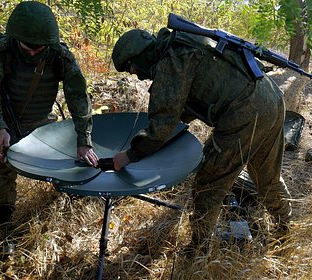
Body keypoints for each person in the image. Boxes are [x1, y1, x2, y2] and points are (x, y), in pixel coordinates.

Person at [111, 28, 292, 251]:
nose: (136, 74)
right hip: (270, 98)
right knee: (267, 176)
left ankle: (200, 248)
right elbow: (198, 93)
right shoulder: (184, 41)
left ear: (138, 55)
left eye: (131, 67)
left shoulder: (170, 62)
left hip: (244, 113)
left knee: (208, 184)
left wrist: (129, 155)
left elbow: (162, 126)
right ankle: (286, 226)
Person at [0, 1, 98, 228]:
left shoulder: (60, 56)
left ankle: (70, 204)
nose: (32, 53)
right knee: (4, 168)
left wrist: (84, 141)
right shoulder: (0, 51)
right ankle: (3, 221)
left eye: (38, 49)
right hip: (7, 122)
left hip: (43, 122)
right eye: (26, 47)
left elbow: (79, 98)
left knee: (65, 159)